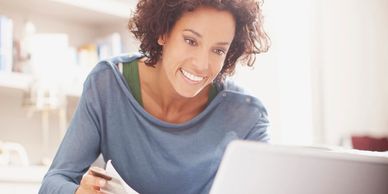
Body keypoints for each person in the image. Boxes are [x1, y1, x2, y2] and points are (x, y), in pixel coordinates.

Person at [39, 0, 270, 193]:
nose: (201, 64)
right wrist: (78, 192)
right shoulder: (108, 84)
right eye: (190, 41)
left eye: (218, 50)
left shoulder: (247, 116)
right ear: (163, 32)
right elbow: (53, 182)